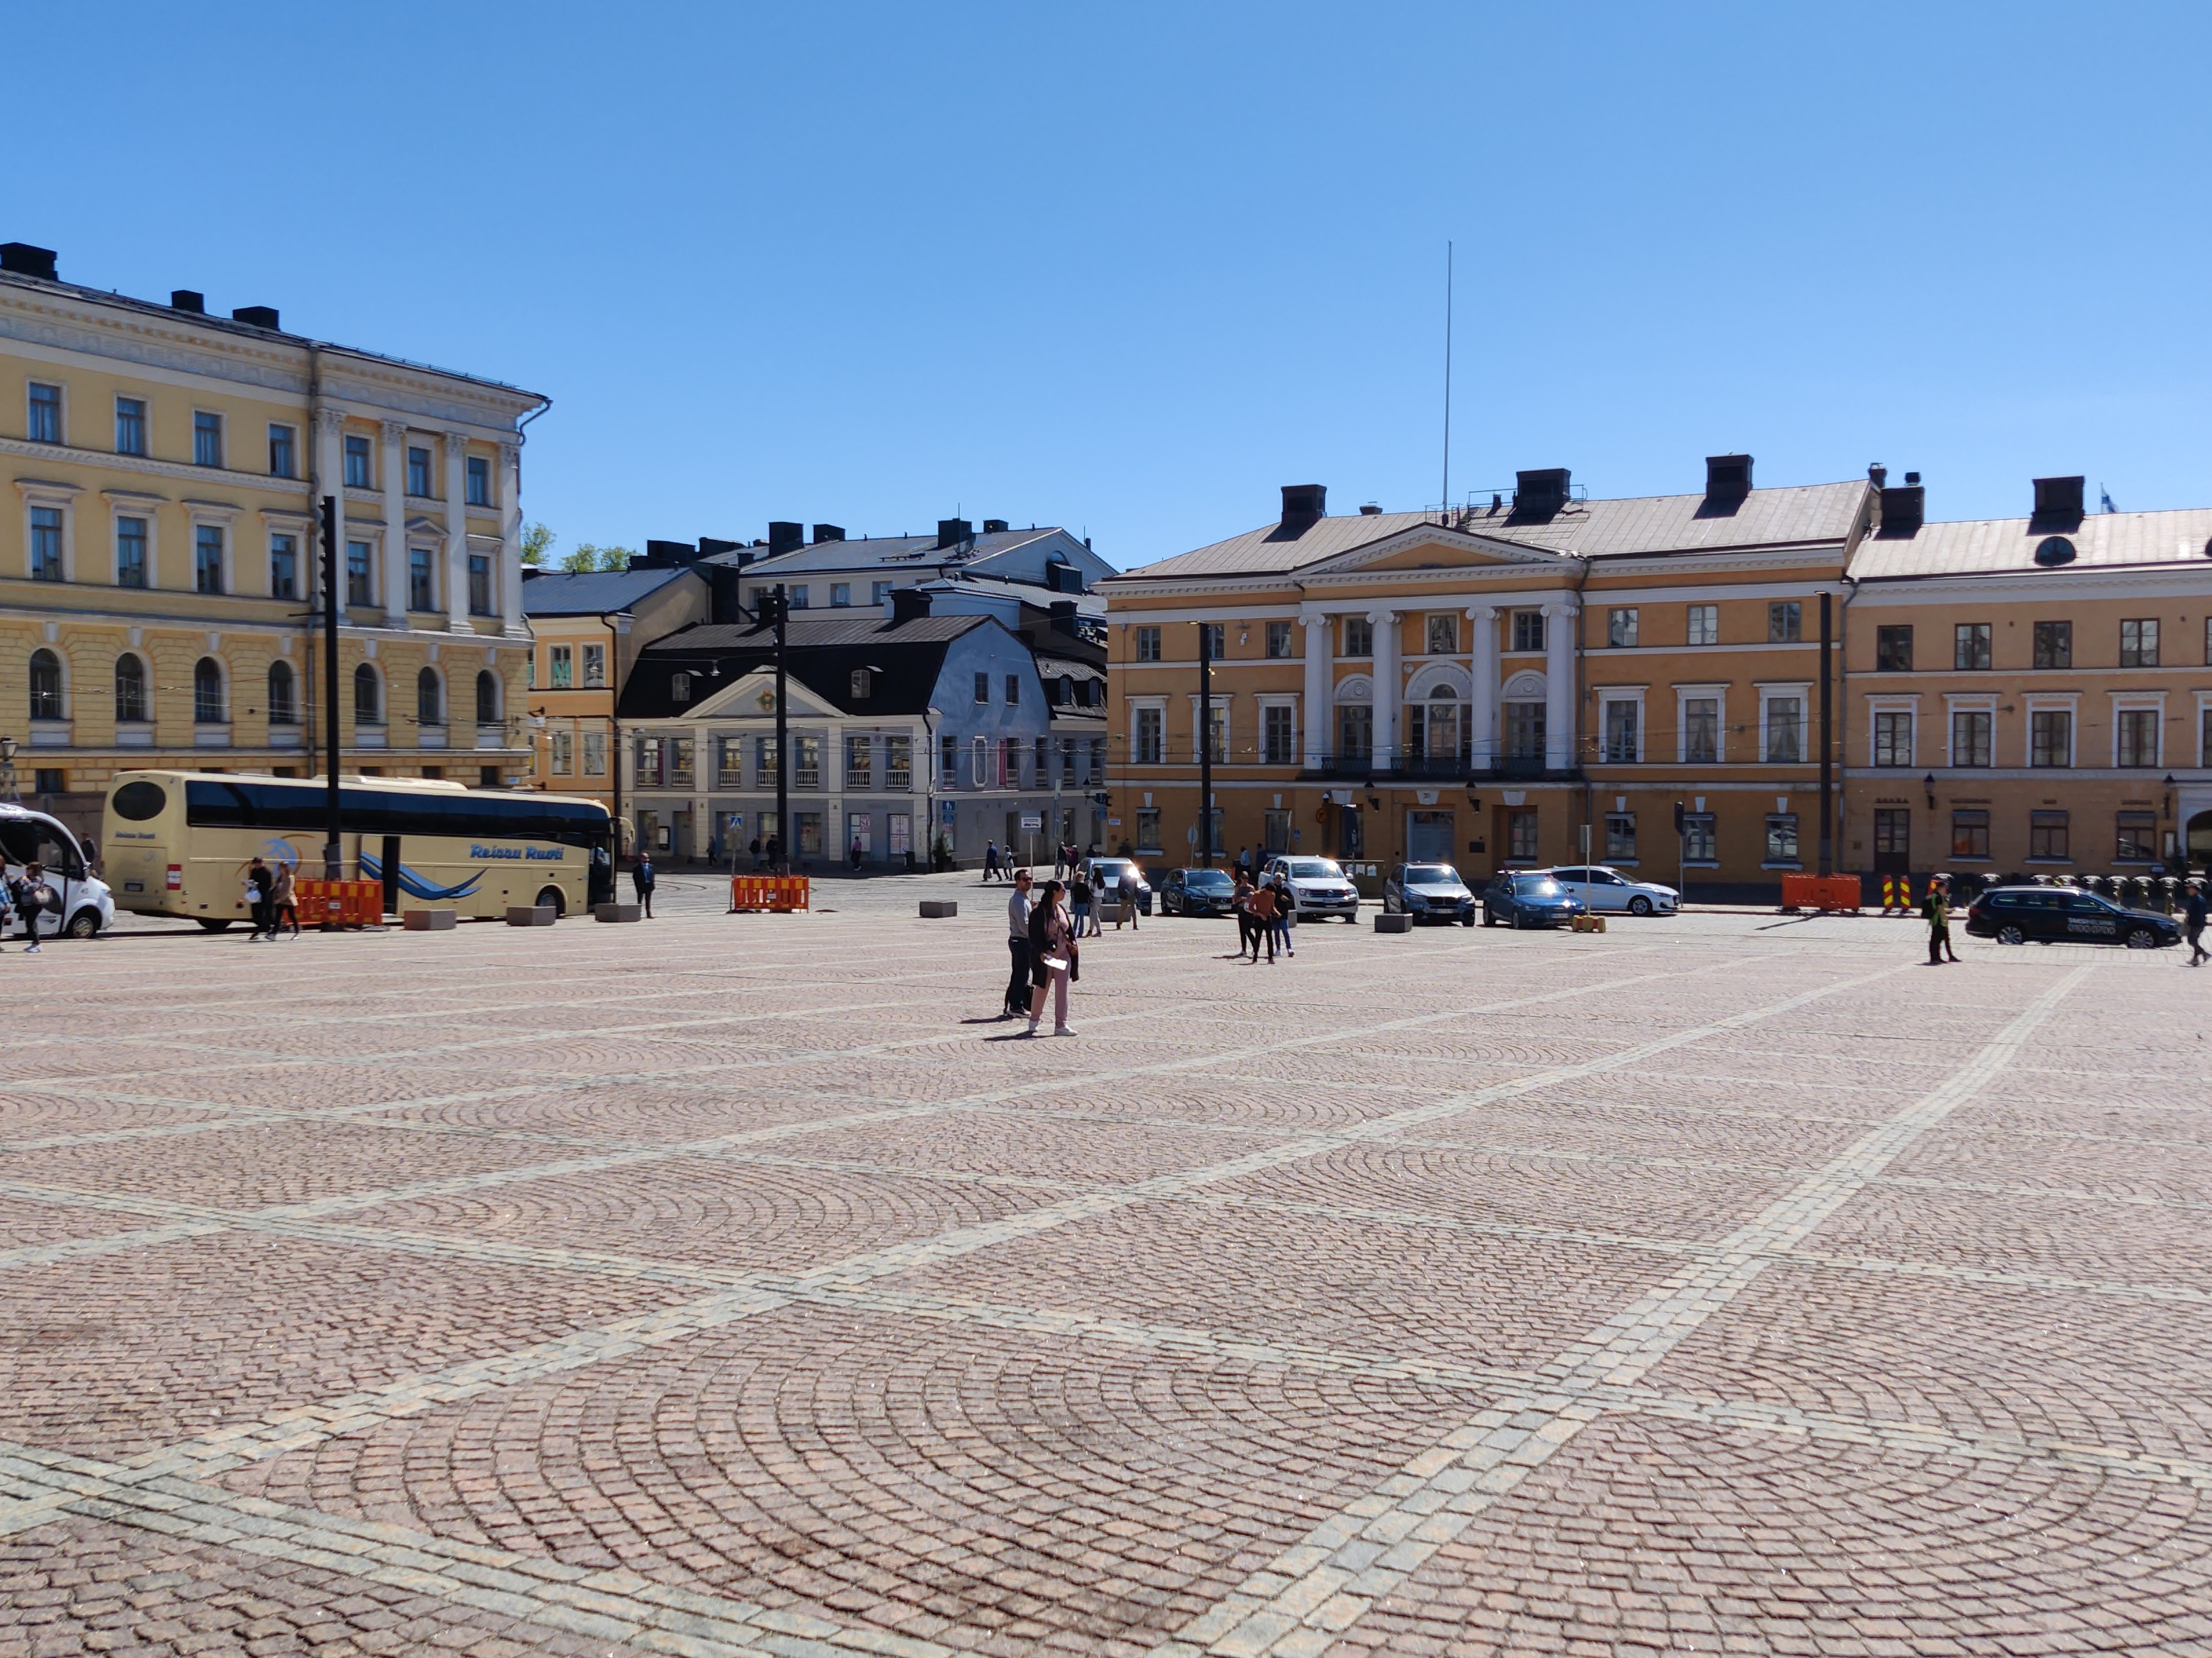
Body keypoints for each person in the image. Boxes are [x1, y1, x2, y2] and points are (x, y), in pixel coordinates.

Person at [1025, 877, 1077, 1036]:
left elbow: (1068, 929)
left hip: (1063, 955)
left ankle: (1061, 1025)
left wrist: (1073, 944)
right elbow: (1033, 935)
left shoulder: (1061, 908)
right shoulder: (1040, 911)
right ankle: (1034, 1021)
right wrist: (1041, 951)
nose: (1065, 892)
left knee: (1062, 988)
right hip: (1047, 957)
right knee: (1043, 987)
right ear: (1054, 892)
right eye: (1062, 890)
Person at [1004, 868, 1034, 1018]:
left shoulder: (1024, 899)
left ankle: (1013, 1004)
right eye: (1024, 879)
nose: (1028, 882)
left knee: (1019, 974)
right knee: (1021, 975)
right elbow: (1024, 925)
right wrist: (1036, 938)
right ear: (1017, 882)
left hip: (1021, 940)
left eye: (1030, 879)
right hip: (1020, 940)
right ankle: (1016, 1006)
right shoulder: (1018, 900)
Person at [14, 861, 50, 953]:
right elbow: (22, 889)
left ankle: (37, 944)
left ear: (34, 870)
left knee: (31, 924)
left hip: (34, 905)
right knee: (30, 924)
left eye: (29, 869)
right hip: (27, 904)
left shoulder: (38, 879)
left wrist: (26, 881)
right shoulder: (30, 879)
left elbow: (32, 888)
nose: (27, 871)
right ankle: (35, 943)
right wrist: (20, 882)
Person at [1923, 873, 1958, 965]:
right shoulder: (1938, 897)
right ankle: (1935, 957)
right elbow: (1940, 910)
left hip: (1938, 920)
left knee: (1941, 939)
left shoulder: (1938, 896)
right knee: (1936, 940)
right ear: (1940, 888)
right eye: (1944, 888)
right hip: (1938, 921)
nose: (1946, 890)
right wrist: (1946, 919)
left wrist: (1950, 910)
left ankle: (1943, 957)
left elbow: (1942, 908)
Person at [1249, 876, 1279, 963]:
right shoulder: (1257, 894)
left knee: (1270, 938)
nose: (1272, 894)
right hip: (1258, 918)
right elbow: (1250, 907)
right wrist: (1260, 914)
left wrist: (1276, 912)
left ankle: (1270, 957)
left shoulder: (1273, 895)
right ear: (1266, 890)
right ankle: (1255, 957)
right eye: (1270, 892)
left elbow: (1272, 907)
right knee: (1258, 938)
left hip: (1268, 918)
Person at [245, 855, 275, 941]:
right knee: (255, 913)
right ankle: (266, 928)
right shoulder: (254, 871)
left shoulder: (267, 872)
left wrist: (258, 884)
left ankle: (260, 930)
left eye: (257, 864)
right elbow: (251, 880)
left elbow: (268, 885)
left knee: (262, 913)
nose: (256, 866)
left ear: (261, 863)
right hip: (254, 895)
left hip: (263, 895)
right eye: (255, 864)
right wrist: (248, 884)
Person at [271, 859, 301, 941]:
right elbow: (277, 887)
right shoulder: (281, 877)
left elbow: (288, 890)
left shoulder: (290, 877)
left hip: (288, 900)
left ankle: (297, 931)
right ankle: (274, 934)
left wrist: (280, 899)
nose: (279, 869)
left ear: (285, 868)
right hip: (280, 900)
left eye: (280, 868)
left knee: (292, 916)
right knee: (278, 917)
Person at [1269, 872, 1295, 958]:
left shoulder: (1285, 889)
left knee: (1285, 932)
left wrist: (1287, 899)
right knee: (1276, 932)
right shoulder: (1272, 889)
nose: (1278, 880)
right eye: (1276, 878)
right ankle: (1278, 949)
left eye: (1280, 879)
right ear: (1274, 879)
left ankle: (1289, 948)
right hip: (1274, 914)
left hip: (1283, 914)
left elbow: (1292, 900)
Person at [1232, 871, 1258, 960]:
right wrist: (1236, 899)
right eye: (1243, 878)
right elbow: (1235, 898)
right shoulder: (1238, 888)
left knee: (1248, 930)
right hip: (1241, 910)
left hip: (1248, 911)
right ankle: (1244, 949)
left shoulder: (1250, 888)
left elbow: (1254, 899)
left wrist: (1245, 899)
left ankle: (1255, 947)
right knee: (1242, 931)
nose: (1245, 880)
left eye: (1246, 878)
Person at [2185, 879, 2209, 966]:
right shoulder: (2195, 898)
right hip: (2197, 923)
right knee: (2193, 940)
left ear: (2195, 890)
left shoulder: (2198, 899)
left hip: (2197, 924)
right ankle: (2196, 960)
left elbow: (2199, 913)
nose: (2188, 891)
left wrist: (2192, 920)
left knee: (2191, 940)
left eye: (2190, 889)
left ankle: (2205, 954)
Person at [1070, 867, 1094, 938]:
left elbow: (1073, 895)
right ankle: (1080, 932)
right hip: (1084, 903)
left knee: (1076, 918)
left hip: (1077, 903)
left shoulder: (1075, 886)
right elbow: (1089, 894)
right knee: (1082, 919)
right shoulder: (1085, 886)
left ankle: (1073, 932)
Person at [1114, 863, 1140, 930]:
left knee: (1133, 910)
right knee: (1123, 909)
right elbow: (1120, 886)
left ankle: (1135, 925)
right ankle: (1119, 924)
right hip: (1125, 895)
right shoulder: (1123, 876)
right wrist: (1124, 892)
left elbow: (1136, 886)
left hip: (1132, 895)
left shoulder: (1134, 876)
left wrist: (1137, 894)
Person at [633, 850, 656, 919]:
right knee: (640, 900)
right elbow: (635, 878)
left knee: (648, 900)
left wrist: (653, 883)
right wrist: (637, 886)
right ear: (641, 858)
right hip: (641, 886)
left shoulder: (651, 866)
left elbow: (653, 875)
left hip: (649, 885)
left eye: (648, 858)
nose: (647, 859)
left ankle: (648, 914)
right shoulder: (637, 867)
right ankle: (638, 914)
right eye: (645, 858)